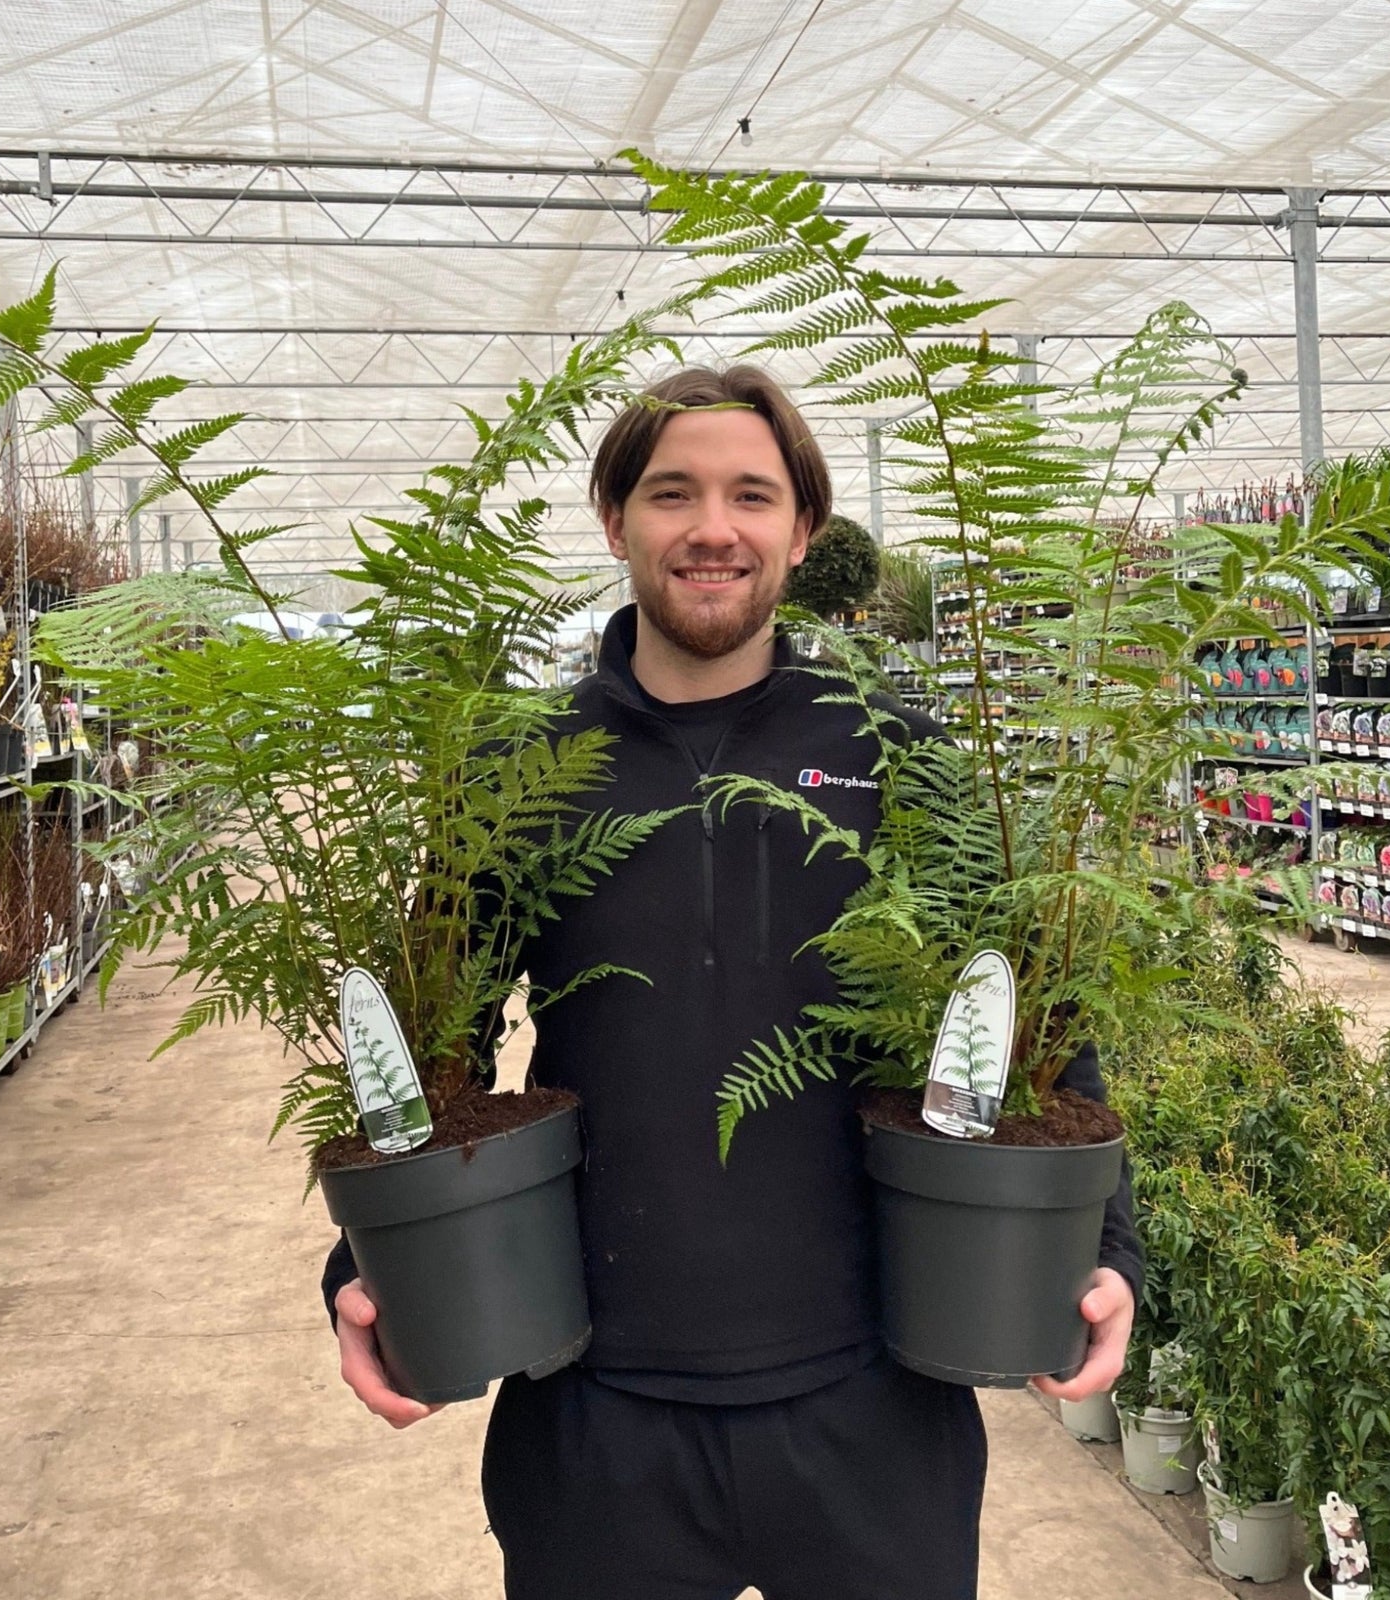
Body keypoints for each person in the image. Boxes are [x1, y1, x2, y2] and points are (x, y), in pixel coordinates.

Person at [322, 364, 1143, 1600]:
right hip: (595, 1411)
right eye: (672, 493)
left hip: (878, 1402)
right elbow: (421, 1056)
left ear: (800, 532)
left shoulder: (892, 748)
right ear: (615, 522)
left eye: (752, 495)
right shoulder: (521, 769)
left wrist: (1110, 1250)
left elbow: (1028, 1023)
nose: (713, 528)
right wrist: (362, 1276)